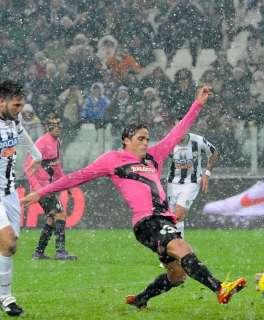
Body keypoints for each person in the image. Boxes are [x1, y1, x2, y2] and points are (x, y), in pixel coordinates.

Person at [22, 86, 246, 309]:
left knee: (177, 276)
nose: (146, 143)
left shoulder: (153, 157)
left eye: (147, 138)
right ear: (126, 140)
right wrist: (41, 192)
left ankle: (141, 300)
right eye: (141, 138)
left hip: (163, 220)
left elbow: (177, 132)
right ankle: (220, 288)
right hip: (147, 221)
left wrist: (198, 104)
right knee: (181, 247)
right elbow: (78, 177)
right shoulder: (113, 159)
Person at [0, 80, 43, 316]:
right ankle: (6, 297)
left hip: (10, 193)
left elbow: (21, 131)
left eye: (21, 104)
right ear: (1, 101)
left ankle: (4, 296)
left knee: (10, 246)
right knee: (7, 241)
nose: (20, 110)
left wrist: (35, 154)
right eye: (16, 105)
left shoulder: (13, 120)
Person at [24, 114, 78, 260]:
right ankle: (60, 252)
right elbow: (27, 169)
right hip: (42, 188)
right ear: (48, 127)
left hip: (49, 186)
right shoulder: (41, 143)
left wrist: (66, 185)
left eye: (59, 124)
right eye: (54, 125)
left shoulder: (57, 142)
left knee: (52, 218)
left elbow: (57, 166)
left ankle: (39, 252)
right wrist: (37, 189)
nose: (57, 128)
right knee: (60, 214)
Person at [167, 121, 219, 238]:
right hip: (172, 183)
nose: (180, 130)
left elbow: (214, 153)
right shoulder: (168, 142)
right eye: (177, 127)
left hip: (191, 182)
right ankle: (175, 246)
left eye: (182, 127)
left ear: (187, 128)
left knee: (179, 215)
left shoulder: (198, 141)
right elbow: (157, 158)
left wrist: (207, 173)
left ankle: (179, 246)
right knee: (171, 218)